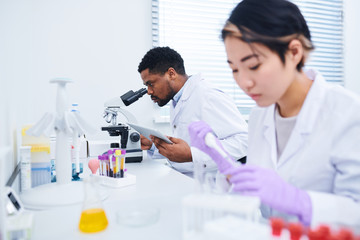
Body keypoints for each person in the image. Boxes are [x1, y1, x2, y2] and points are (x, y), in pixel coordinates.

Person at [188, 0, 360, 227]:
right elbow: (261, 200)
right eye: (234, 69)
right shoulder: (261, 114)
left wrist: (301, 202)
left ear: (294, 52)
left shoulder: (348, 112)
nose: (243, 82)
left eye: (254, 65)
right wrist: (224, 161)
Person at [137, 46, 248, 176]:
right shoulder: (177, 98)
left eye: (151, 84)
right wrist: (153, 145)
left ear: (171, 74)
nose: (149, 91)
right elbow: (185, 145)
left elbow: (244, 141)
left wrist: (192, 155)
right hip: (184, 177)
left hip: (210, 184)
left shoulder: (208, 95)